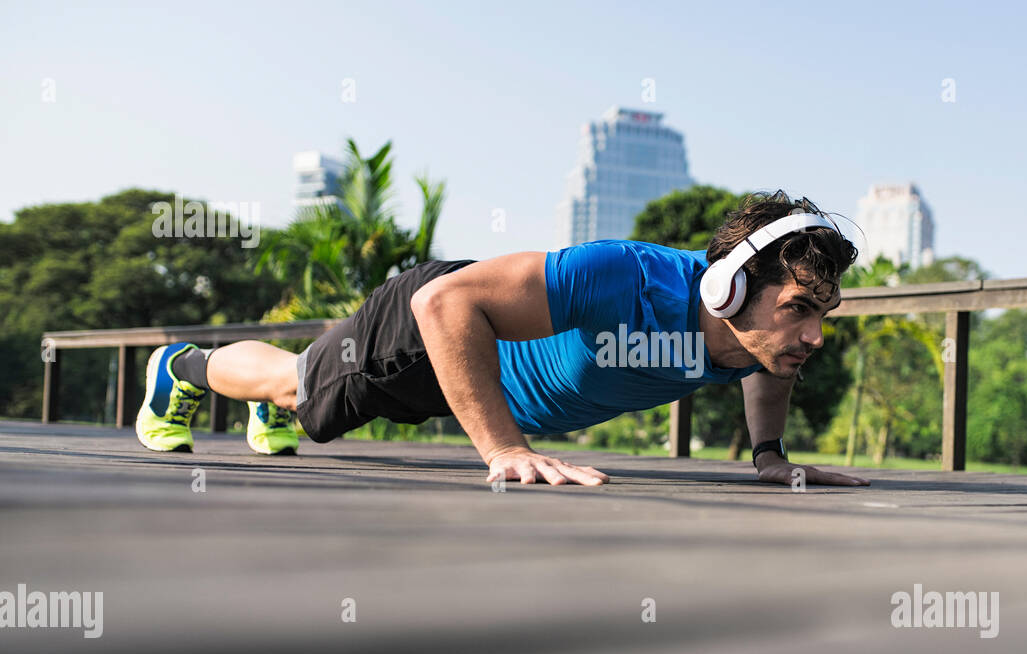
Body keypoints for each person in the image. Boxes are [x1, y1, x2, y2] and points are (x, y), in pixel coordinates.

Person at [135, 189, 869, 488]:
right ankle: (181, 367)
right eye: (799, 308)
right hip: (434, 333)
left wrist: (770, 456)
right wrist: (503, 449)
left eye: (821, 317)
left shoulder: (762, 337)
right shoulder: (624, 275)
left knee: (301, 400)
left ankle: (270, 402)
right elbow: (446, 302)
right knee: (298, 386)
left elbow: (769, 366)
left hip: (477, 383)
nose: (812, 337)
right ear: (727, 290)